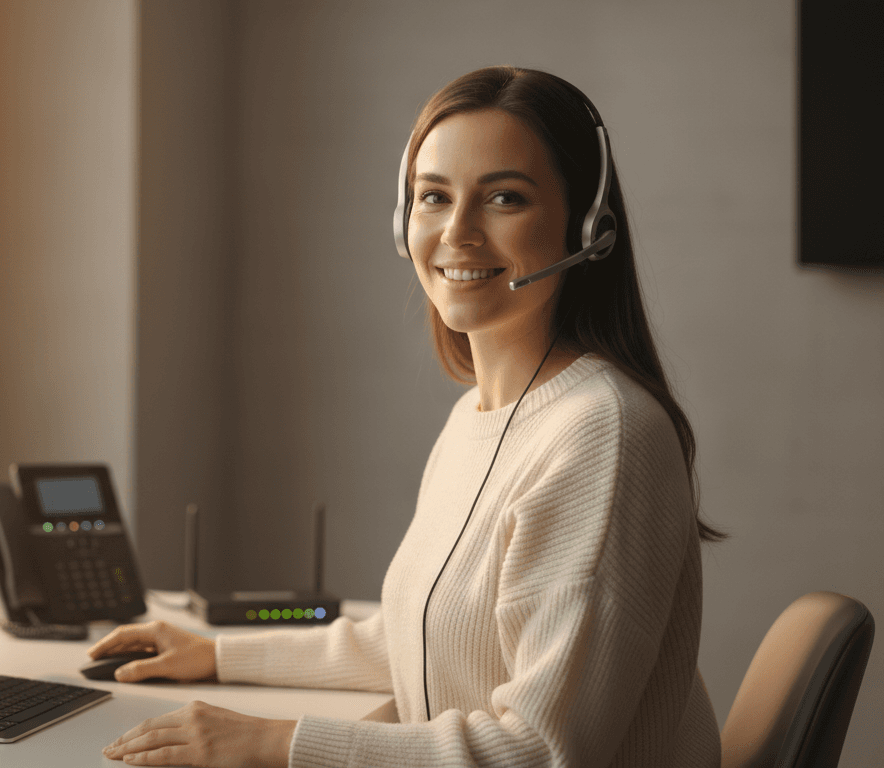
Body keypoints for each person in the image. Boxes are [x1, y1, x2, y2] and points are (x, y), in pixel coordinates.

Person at [93, 66, 724, 768]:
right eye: (433, 198)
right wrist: (215, 653)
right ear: (404, 222)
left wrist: (272, 743)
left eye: (505, 198)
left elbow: (541, 752)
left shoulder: (603, 435)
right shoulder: (476, 418)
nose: (457, 232)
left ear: (586, 225)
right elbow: (418, 633)